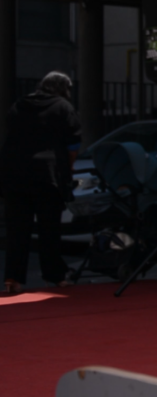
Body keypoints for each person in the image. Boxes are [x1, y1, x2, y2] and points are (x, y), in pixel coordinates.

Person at [1, 72, 83, 294]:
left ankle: (12, 278)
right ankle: (54, 276)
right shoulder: (63, 107)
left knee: (17, 228)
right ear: (64, 89)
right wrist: (69, 167)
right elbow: (73, 145)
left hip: (14, 172)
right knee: (49, 228)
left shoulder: (19, 105)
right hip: (48, 175)